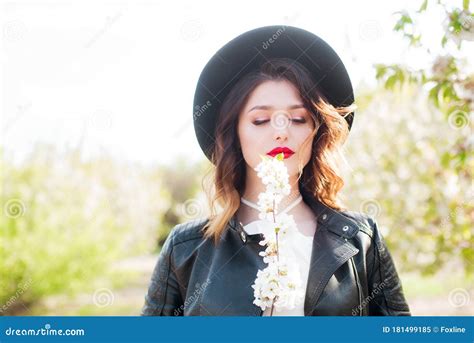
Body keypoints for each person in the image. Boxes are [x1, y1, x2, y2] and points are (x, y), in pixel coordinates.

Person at [141, 25, 410, 316]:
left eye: (297, 119)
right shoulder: (185, 249)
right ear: (235, 133)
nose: (281, 132)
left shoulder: (360, 239)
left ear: (316, 133)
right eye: (261, 120)